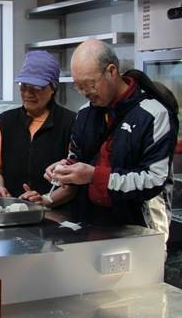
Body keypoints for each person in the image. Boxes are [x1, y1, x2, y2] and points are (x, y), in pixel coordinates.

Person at [46, 40, 179, 240]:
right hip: (90, 224)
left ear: (111, 71)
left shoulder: (153, 114)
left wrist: (94, 176)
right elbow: (76, 157)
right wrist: (64, 169)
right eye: (78, 87)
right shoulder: (85, 114)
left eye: (89, 85)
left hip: (139, 229)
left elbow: (153, 179)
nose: (84, 93)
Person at [0, 51, 76, 207]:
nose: (27, 93)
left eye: (36, 88)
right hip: (12, 212)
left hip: (56, 215)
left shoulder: (70, 123)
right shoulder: (6, 122)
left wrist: (47, 200)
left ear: (53, 87)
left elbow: (73, 183)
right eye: (23, 86)